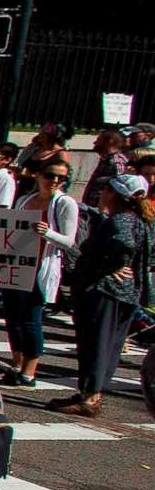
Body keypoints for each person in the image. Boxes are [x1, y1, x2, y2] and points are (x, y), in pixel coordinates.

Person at [56, 172, 153, 418]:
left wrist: (110, 266)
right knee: (108, 344)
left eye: (107, 190)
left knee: (96, 343)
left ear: (115, 194)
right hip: (124, 293)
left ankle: (90, 396)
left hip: (106, 292)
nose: (102, 194)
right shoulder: (139, 220)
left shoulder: (121, 220)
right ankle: (91, 393)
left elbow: (123, 245)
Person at [0, 158, 80, 388]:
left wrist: (48, 233)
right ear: (38, 175)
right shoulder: (24, 200)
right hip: (16, 266)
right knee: (12, 318)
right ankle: (16, 364)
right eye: (50, 175)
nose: (55, 181)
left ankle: (29, 371)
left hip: (41, 267)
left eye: (61, 178)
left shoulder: (64, 203)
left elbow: (69, 242)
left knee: (31, 320)